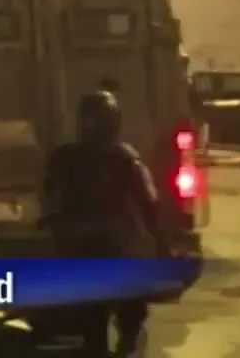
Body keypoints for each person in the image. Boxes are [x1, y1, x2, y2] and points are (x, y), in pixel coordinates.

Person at [41, 90, 167, 356]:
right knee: (103, 308)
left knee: (114, 305)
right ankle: (113, 340)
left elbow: (147, 199)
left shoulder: (118, 157)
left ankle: (117, 339)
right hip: (95, 243)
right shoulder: (85, 157)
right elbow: (148, 200)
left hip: (104, 242)